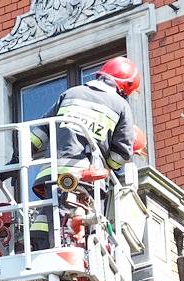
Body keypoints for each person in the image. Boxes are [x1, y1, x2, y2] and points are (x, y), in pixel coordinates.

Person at [26, 56, 142, 250]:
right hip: (85, 176)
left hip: (51, 173)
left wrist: (17, 160)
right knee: (81, 223)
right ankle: (72, 249)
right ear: (125, 86)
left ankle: (39, 246)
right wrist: (107, 170)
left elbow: (38, 134)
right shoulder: (121, 106)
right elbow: (122, 152)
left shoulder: (71, 93)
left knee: (50, 215)